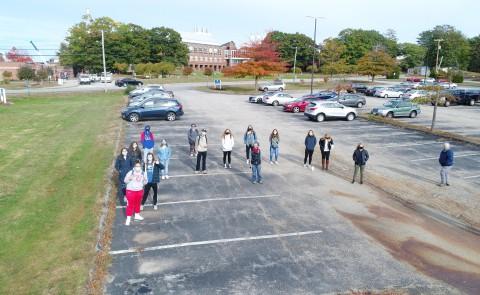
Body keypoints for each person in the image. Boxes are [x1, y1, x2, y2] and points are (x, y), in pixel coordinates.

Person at [124, 160, 148, 225]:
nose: (138, 167)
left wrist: (145, 180)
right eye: (136, 166)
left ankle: (137, 215)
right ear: (134, 167)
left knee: (138, 204)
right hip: (130, 191)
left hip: (139, 191)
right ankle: (128, 218)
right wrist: (129, 178)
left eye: (139, 166)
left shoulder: (143, 173)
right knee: (130, 205)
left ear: (141, 167)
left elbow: (145, 183)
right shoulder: (130, 172)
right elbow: (125, 181)